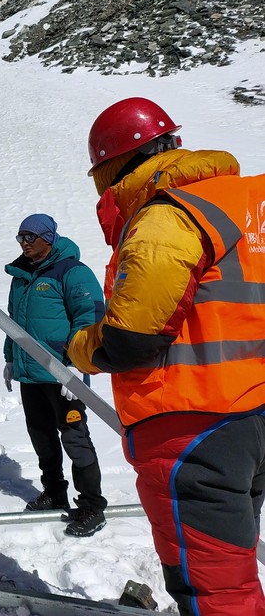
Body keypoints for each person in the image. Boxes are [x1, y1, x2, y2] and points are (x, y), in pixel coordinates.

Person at [67, 97, 265, 616]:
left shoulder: (168, 215)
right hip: (255, 415)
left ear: (114, 166)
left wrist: (82, 347)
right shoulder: (251, 201)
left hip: (195, 431)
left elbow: (132, 338)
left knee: (216, 590)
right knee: (235, 564)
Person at [3, 213, 108, 537]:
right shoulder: (21, 276)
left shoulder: (72, 272)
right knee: (41, 436)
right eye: (20, 237)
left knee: (75, 438)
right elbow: (13, 323)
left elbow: (89, 316)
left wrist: (78, 365)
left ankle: (91, 506)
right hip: (31, 374)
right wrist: (10, 359)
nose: (24, 243)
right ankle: (55, 492)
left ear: (48, 238)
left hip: (64, 373)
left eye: (30, 237)